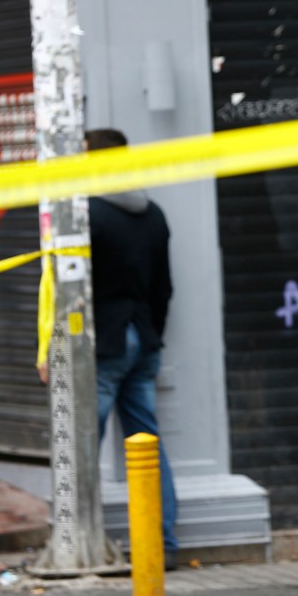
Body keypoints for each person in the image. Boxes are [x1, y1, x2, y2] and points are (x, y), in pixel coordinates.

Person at [86, 128, 179, 571]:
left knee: (86, 440)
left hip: (105, 341)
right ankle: (164, 545)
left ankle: (83, 542)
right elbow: (164, 288)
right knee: (146, 442)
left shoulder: (86, 214)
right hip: (143, 337)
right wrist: (151, 335)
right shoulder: (153, 214)